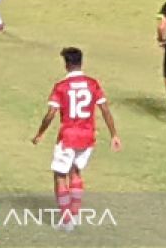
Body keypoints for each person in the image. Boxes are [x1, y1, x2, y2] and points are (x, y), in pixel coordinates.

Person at [31, 47, 122, 232]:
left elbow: (51, 114)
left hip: (68, 136)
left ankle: (66, 219)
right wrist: (114, 134)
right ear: (81, 62)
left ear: (66, 64)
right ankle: (75, 214)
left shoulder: (61, 86)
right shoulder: (92, 83)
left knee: (59, 175)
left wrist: (40, 132)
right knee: (76, 172)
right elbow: (105, 109)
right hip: (88, 136)